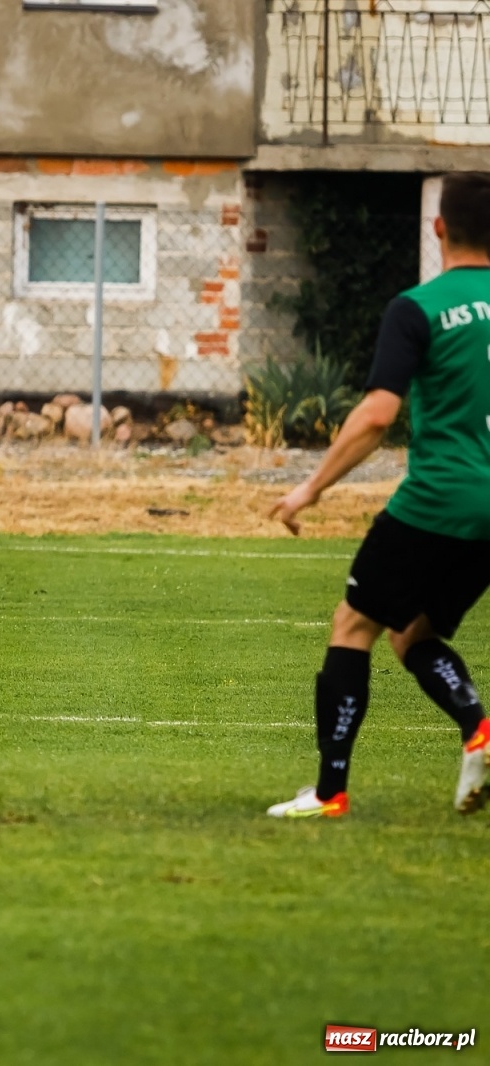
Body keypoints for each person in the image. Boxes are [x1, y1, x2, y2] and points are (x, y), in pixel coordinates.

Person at [266, 171, 490, 818]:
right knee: (412, 634)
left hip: (439, 499)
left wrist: (309, 488)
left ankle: (330, 792)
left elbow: (374, 417)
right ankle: (477, 727)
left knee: (355, 624)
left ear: (439, 227)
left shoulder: (418, 307)